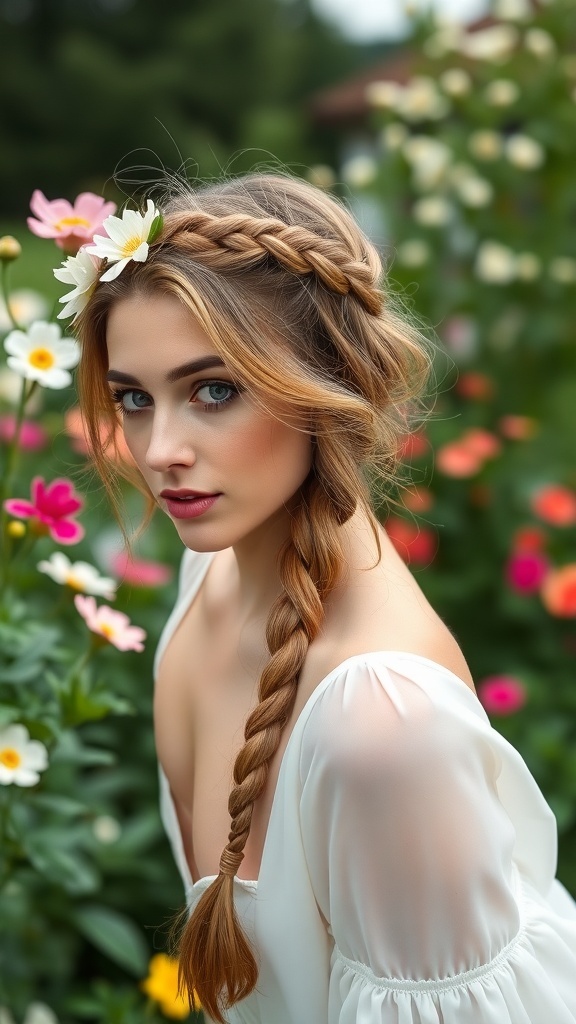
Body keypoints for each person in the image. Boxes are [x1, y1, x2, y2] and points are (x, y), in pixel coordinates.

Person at [72, 172, 576, 1024]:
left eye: (214, 390)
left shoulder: (380, 725)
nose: (159, 451)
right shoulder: (215, 575)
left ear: (329, 379)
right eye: (134, 398)